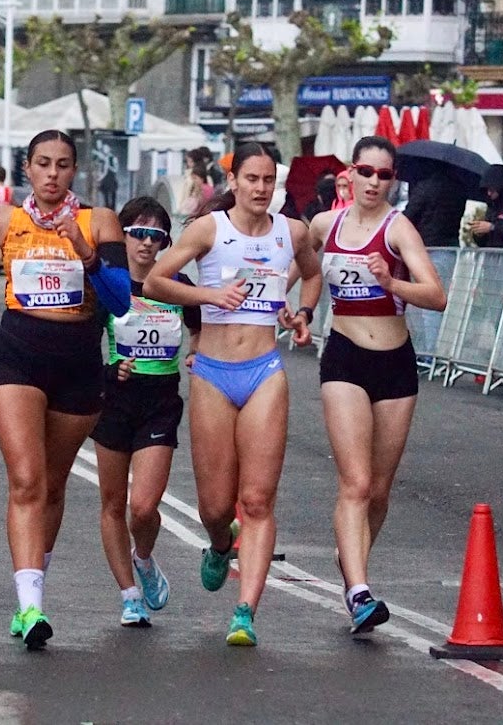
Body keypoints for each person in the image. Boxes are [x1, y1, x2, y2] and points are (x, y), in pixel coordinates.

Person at [0, 129, 131, 650]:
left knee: (53, 487)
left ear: (74, 171)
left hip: (78, 365)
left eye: (62, 165)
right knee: (26, 479)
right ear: (27, 169)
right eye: (43, 163)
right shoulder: (3, 218)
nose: (52, 174)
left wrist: (86, 254)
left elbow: (122, 301)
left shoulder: (99, 222)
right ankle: (30, 607)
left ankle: (33, 585)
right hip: (14, 357)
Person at [143, 141, 321, 647]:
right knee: (216, 507)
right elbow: (155, 281)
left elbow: (313, 274)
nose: (261, 189)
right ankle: (221, 544)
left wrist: (303, 314)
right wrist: (209, 295)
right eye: (252, 179)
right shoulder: (209, 229)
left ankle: (245, 613)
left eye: (268, 180)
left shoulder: (292, 232)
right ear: (234, 181)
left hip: (265, 371)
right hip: (213, 374)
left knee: (258, 499)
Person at [309, 135, 447, 633]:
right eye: (365, 172)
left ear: (393, 181)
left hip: (394, 364)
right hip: (344, 357)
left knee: (381, 491)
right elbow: (298, 265)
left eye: (384, 175)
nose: (373, 182)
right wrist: (297, 308)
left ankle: (351, 560)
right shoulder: (325, 225)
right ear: (350, 173)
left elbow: (436, 295)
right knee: (357, 482)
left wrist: (391, 283)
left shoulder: (398, 228)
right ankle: (359, 591)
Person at [92, 196, 201, 629]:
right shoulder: (108, 286)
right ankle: (129, 595)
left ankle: (144, 556)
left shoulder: (176, 283)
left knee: (143, 507)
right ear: (121, 236)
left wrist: (196, 351)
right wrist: (109, 370)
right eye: (136, 233)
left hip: (159, 402)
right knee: (113, 503)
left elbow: (199, 324)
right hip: (114, 401)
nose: (145, 243)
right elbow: (82, 347)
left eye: (155, 235)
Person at [401, 171, 468, 248]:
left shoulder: (425, 187)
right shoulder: (460, 190)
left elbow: (409, 216)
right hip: (451, 245)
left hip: (427, 245)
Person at [469, 164, 503, 249]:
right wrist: (480, 234)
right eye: (486, 190)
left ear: (501, 187)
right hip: (492, 253)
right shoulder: (492, 205)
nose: (489, 193)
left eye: (491, 190)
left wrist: (493, 228)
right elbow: (484, 242)